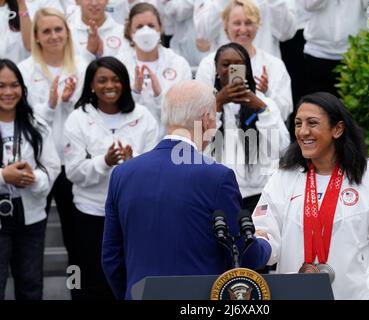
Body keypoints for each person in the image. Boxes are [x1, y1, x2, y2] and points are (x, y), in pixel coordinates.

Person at [102, 80, 271, 300]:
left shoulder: (122, 174)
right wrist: (265, 244)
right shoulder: (217, 177)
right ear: (206, 119)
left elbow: (111, 258)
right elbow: (243, 255)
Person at [252, 92, 369, 299]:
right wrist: (258, 242)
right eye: (298, 123)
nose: (303, 132)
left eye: (312, 123)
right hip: (297, 295)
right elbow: (265, 234)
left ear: (337, 129)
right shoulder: (283, 178)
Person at [63, 56, 159, 300]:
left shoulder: (144, 116)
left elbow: (155, 170)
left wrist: (132, 161)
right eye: (102, 80)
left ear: (125, 83)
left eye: (116, 79)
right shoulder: (78, 118)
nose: (109, 85)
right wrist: (104, 162)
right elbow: (73, 172)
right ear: (91, 85)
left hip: (132, 214)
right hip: (91, 213)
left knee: (130, 278)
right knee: (90, 281)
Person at [18, 8, 86, 284]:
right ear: (35, 37)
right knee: (31, 243)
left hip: (73, 167)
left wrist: (68, 102)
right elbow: (27, 123)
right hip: (39, 168)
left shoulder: (82, 65)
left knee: (78, 244)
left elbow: (86, 120)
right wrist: (52, 103)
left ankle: (77, 291)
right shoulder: (24, 71)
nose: (54, 35)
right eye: (46, 31)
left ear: (67, 32)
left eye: (58, 29)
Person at [0, 59, 60, 300]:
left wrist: (33, 178)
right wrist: (4, 176)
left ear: (22, 89)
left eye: (14, 85)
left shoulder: (36, 124)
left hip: (30, 218)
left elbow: (52, 167)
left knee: (31, 284)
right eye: (1, 86)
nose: (8, 92)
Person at [210, 42, 290, 212]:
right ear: (216, 69)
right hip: (222, 194)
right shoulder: (206, 105)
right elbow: (200, 150)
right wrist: (217, 104)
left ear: (247, 69)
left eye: (239, 65)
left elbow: (282, 146)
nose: (232, 69)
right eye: (226, 65)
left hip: (261, 194)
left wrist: (261, 109)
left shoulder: (265, 103)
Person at [195, 0, 293, 122]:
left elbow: (284, 110)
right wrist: (220, 98)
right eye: (237, 23)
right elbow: (199, 110)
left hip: (261, 135)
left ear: (257, 26)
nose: (243, 29)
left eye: (248, 23)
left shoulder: (274, 65)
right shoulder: (209, 64)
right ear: (226, 25)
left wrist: (265, 94)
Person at [117, 2, 191, 138]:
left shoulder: (178, 64)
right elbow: (115, 111)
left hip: (168, 144)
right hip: (131, 145)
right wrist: (135, 93)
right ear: (129, 31)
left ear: (160, 29)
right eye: (139, 27)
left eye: (151, 26)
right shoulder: (120, 64)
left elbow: (185, 113)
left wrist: (159, 96)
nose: (146, 31)